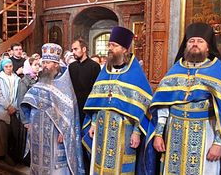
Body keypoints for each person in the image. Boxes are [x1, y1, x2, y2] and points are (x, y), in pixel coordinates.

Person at [145, 22, 221, 175]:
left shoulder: (217, 70)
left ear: (207, 47)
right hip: (174, 133)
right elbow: (163, 105)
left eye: (200, 41)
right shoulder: (176, 70)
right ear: (186, 45)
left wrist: (218, 143)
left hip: (206, 133)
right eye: (191, 41)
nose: (195, 44)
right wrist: (158, 134)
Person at [83, 26, 152, 174]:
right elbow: (96, 102)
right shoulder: (105, 72)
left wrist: (136, 133)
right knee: (99, 164)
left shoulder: (135, 75)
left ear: (125, 50)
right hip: (102, 128)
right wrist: (94, 123)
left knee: (121, 167)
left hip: (124, 131)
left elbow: (142, 108)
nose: (110, 48)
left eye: (114, 45)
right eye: (109, 44)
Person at [21, 43, 85, 175]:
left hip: (56, 132)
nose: (44, 65)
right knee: (38, 162)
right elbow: (28, 102)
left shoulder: (64, 84)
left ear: (56, 64)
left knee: (56, 166)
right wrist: (28, 122)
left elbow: (69, 110)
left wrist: (65, 131)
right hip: (38, 130)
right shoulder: (41, 81)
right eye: (43, 62)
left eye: (48, 62)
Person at [69, 38, 101, 173]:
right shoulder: (71, 67)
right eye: (72, 49)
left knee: (87, 142)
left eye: (75, 49)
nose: (73, 52)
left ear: (84, 49)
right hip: (74, 110)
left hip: (89, 111)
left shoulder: (94, 66)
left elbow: (97, 91)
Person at [0, 59, 20, 165]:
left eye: (10, 66)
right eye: (6, 67)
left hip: (13, 109)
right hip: (3, 109)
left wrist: (14, 107)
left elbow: (18, 94)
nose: (9, 68)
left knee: (11, 135)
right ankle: (2, 155)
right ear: (2, 67)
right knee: (2, 135)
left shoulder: (17, 78)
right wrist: (8, 106)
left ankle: (11, 154)